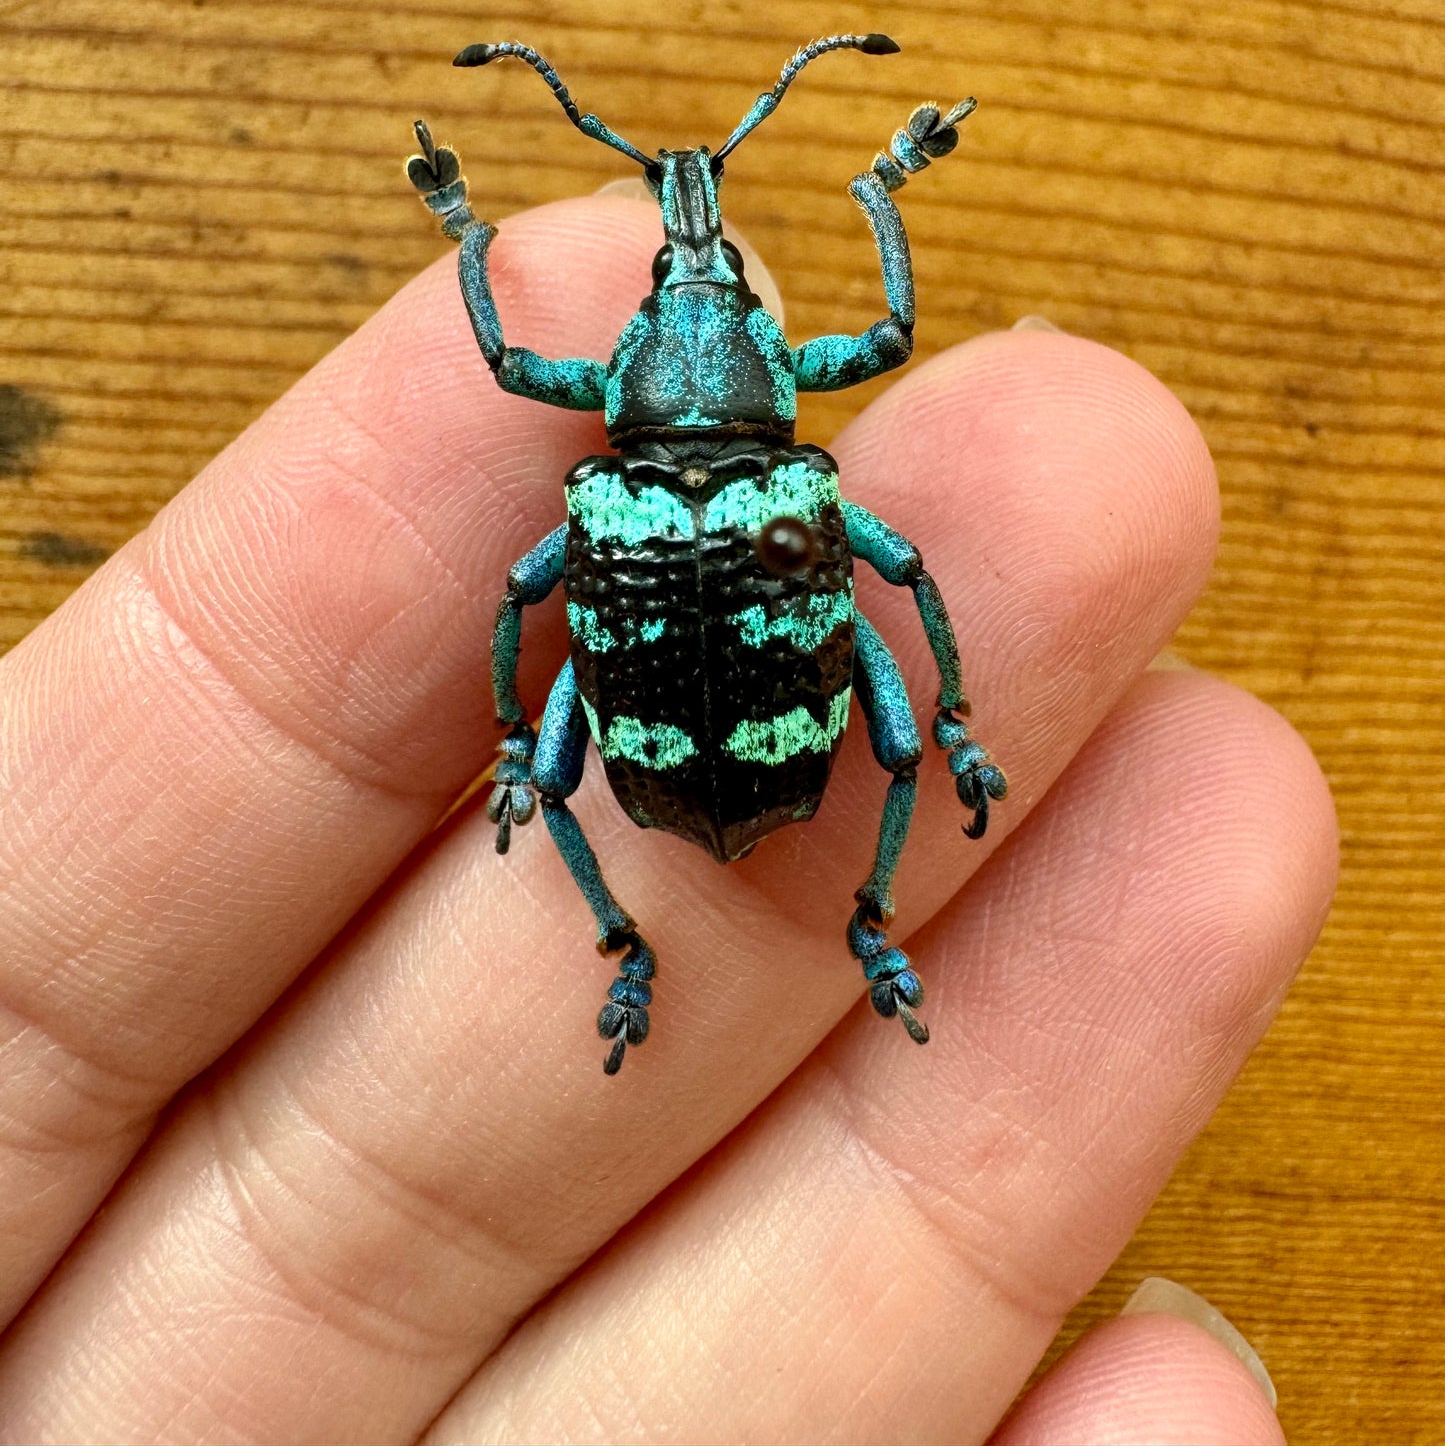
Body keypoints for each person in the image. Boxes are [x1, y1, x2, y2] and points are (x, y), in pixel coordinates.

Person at [0, 191, 1335, 1444]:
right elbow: (886, 451)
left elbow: (524, 537)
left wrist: (524, 742)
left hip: (672, 746)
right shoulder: (766, 489)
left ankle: (669, 933)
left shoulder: (610, 487)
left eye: (682, 283)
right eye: (672, 276)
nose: (690, 271)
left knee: (715, 735)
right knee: (905, 735)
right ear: (756, 360)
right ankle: (841, 922)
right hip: (736, 743)